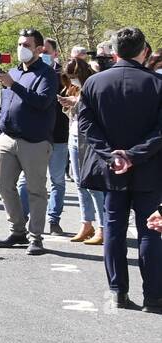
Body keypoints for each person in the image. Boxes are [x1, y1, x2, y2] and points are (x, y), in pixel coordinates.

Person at [76, 27, 162, 312]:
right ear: (144, 51)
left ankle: (117, 291)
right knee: (150, 230)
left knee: (114, 228)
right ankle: (153, 296)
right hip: (149, 167)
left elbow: (87, 127)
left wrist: (112, 155)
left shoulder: (94, 83)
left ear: (113, 52)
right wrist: (133, 155)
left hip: (111, 168)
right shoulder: (157, 84)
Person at [0, 28, 58, 255]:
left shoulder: (47, 74)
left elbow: (41, 102)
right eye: (20, 44)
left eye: (27, 45)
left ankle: (36, 237)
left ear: (39, 49)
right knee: (3, 184)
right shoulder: (14, 72)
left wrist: (13, 85)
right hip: (7, 139)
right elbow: (6, 103)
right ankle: (17, 230)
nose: (22, 49)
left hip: (35, 142)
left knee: (36, 190)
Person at [19, 63, 71, 234]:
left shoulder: (64, 79)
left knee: (57, 180)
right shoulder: (30, 77)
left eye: (47, 52)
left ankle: (53, 219)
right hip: (36, 137)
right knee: (26, 180)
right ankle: (23, 218)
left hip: (59, 137)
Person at [62, 56, 106, 245]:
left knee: (94, 185)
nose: (71, 79)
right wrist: (68, 104)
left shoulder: (95, 83)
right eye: (68, 76)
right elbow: (73, 115)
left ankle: (103, 227)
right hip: (74, 136)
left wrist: (76, 103)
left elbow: (97, 110)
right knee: (80, 183)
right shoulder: (73, 86)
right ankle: (86, 223)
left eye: (73, 75)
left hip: (89, 139)